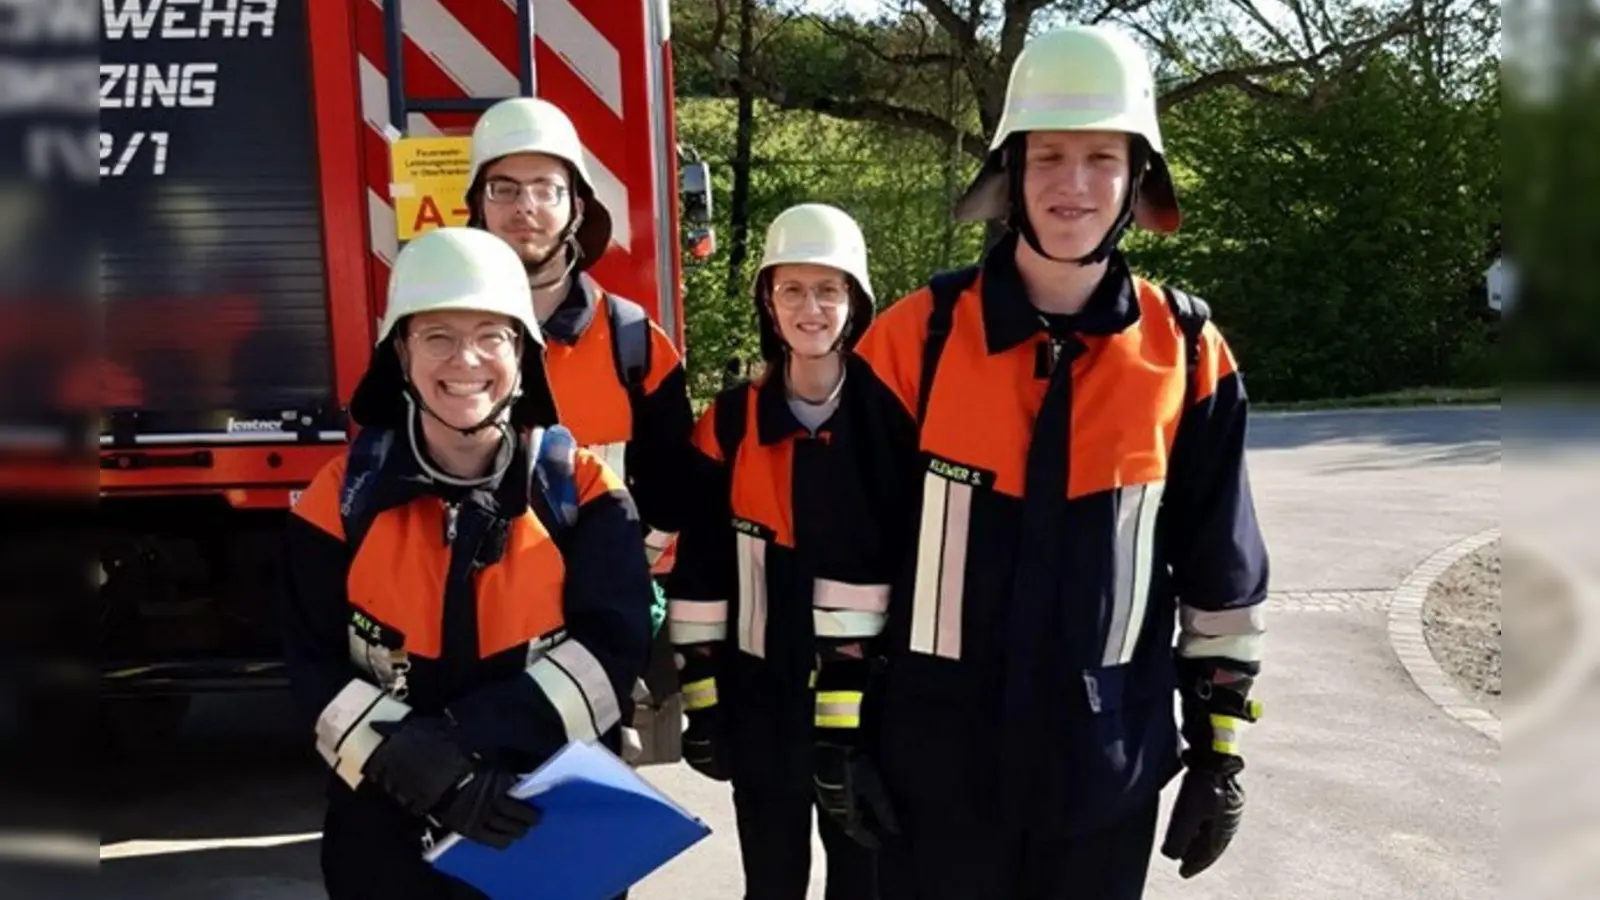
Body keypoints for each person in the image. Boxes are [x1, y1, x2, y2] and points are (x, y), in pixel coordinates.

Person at [837, 24, 1271, 899]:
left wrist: (1218, 753)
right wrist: (836, 737)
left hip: (1102, 779)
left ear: (1138, 179)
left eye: (1102, 158)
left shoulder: (1189, 355)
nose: (1073, 185)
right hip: (935, 778)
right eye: (1049, 158)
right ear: (1010, 173)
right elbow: (850, 563)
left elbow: (1221, 578)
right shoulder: (912, 342)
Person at [278, 227, 656, 900]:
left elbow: (612, 654)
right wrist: (412, 764)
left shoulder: (584, 491)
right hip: (385, 831)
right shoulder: (338, 499)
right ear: (401, 352)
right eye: (437, 336)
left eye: (491, 335)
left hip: (540, 815)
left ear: (523, 352)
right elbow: (307, 661)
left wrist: (463, 746)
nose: (466, 359)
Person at [664, 203, 917, 900]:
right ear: (768, 305)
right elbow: (700, 574)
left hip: (870, 711)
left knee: (863, 888)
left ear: (856, 303)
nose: (810, 309)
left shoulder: (895, 424)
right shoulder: (730, 423)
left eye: (828, 290)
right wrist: (703, 702)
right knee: (771, 885)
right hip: (761, 705)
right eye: (792, 290)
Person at [464, 97, 695, 759]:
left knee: (583, 809)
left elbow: (676, 493)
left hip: (590, 646)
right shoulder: (435, 347)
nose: (525, 206)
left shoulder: (632, 344)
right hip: (468, 642)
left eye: (546, 188)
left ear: (576, 206)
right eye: (505, 188)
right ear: (477, 203)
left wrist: (624, 582)